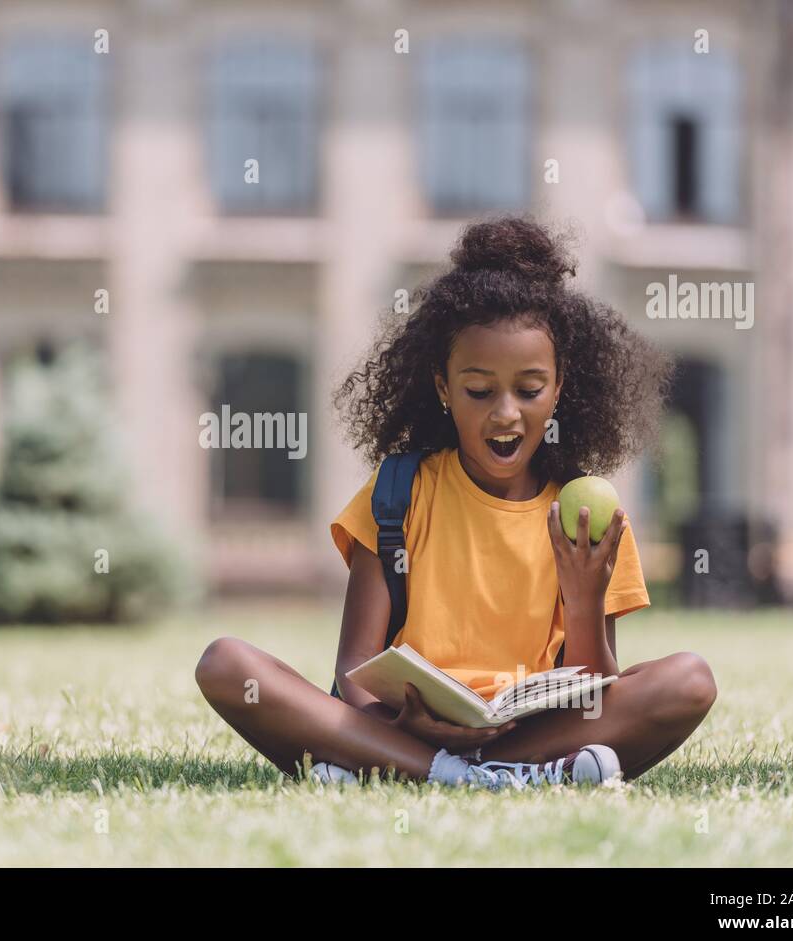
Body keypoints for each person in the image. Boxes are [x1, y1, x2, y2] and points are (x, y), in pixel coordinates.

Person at [195, 217, 717, 790]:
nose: (505, 413)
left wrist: (585, 597)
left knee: (689, 680)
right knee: (226, 665)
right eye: (479, 390)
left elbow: (594, 694)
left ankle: (436, 770)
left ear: (561, 385)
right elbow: (353, 671)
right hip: (403, 728)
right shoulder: (399, 492)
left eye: (529, 388)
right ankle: (472, 776)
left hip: (534, 729)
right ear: (443, 387)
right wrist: (404, 722)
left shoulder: (584, 515)